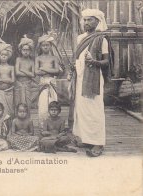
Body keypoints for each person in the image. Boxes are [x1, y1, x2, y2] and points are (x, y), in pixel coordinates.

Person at [69, 9, 113, 157]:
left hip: (93, 78)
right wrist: (74, 66)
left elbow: (107, 62)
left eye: (90, 20)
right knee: (82, 109)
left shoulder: (102, 39)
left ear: (98, 21)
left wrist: (94, 62)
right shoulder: (80, 38)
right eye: (85, 20)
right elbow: (79, 58)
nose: (86, 22)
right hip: (81, 77)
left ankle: (98, 143)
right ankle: (86, 138)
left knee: (94, 109)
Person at [35, 34, 61, 125]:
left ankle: (53, 125)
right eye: (43, 45)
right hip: (43, 83)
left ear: (50, 46)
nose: (45, 47)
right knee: (42, 104)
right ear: (40, 46)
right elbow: (37, 72)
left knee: (52, 102)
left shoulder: (54, 58)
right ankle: (43, 125)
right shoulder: (38, 58)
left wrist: (43, 69)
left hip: (52, 82)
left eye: (47, 45)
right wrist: (50, 71)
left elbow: (57, 71)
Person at [0, 38, 15, 117]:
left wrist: (1, 79)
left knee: (9, 111)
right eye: (2, 55)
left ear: (8, 56)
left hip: (9, 92)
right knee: (1, 110)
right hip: (0, 92)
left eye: (5, 55)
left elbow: (12, 80)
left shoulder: (11, 68)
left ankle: (9, 126)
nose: (3, 57)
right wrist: (7, 80)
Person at [15, 35, 35, 110]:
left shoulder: (31, 62)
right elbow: (17, 72)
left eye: (27, 50)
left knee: (27, 104)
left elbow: (32, 74)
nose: (26, 52)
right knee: (18, 103)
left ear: (30, 51)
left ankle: (27, 119)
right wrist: (28, 73)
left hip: (28, 84)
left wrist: (22, 70)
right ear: (21, 50)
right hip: (19, 84)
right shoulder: (18, 60)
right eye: (24, 50)